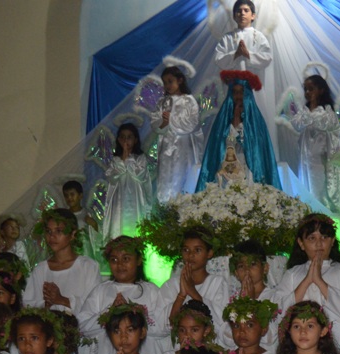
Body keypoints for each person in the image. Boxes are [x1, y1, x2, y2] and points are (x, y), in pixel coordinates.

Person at [274, 214, 340, 353]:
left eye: (324, 237)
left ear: (332, 241)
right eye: (312, 238)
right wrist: (307, 280)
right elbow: (279, 313)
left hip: (338, 342)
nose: (319, 244)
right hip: (299, 347)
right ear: (301, 243)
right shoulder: (292, 274)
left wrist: (319, 281)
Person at [78, 236, 163, 354]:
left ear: (139, 260)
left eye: (126, 259)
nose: (120, 264)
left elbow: (163, 327)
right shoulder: (101, 291)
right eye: (114, 260)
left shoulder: (151, 291)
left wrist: (135, 312)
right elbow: (82, 326)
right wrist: (109, 313)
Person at [196, 72, 280, 190]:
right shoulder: (224, 118)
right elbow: (225, 142)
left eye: (241, 92)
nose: (238, 96)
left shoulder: (256, 120)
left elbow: (254, 146)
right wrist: (235, 119)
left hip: (247, 164)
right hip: (228, 165)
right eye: (235, 92)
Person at [214, 0, 275, 146]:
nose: (242, 13)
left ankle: (255, 158)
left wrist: (248, 55)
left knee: (254, 120)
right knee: (232, 119)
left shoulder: (258, 37)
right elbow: (218, 58)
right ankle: (232, 158)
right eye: (239, 11)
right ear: (234, 16)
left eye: (246, 10)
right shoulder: (227, 38)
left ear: (253, 15)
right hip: (233, 89)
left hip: (253, 89)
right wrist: (235, 55)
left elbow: (267, 58)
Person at [159, 227, 228, 348]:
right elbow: (161, 326)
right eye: (186, 250)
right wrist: (181, 296)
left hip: (208, 352)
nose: (190, 255)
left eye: (197, 250)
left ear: (209, 253)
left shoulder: (217, 283)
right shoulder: (170, 285)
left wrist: (194, 293)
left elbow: (222, 324)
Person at [25, 208, 102, 312]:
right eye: (48, 231)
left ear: (73, 235)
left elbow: (95, 305)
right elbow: (29, 304)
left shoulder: (88, 267)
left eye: (58, 231)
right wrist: (46, 304)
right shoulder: (40, 270)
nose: (52, 236)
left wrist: (62, 300)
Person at [150, 62, 202, 203]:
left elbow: (192, 123)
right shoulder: (162, 102)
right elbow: (155, 123)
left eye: (170, 81)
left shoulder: (189, 101)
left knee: (182, 175)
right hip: (167, 146)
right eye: (165, 82)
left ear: (180, 80)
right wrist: (163, 123)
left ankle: (184, 205)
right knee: (166, 176)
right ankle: (166, 207)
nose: (167, 85)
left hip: (183, 146)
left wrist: (171, 119)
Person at [290, 74, 340, 214]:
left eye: (311, 89)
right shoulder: (304, 111)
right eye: (306, 89)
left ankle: (321, 221)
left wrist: (313, 107)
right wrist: (309, 108)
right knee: (305, 190)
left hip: (320, 161)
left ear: (321, 90)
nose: (307, 93)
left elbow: (324, 125)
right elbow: (297, 124)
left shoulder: (327, 112)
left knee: (319, 192)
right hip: (305, 161)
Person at [223, 240, 280, 351]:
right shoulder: (232, 299)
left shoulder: (275, 298)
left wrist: (249, 303)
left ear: (265, 268)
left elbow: (270, 337)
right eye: (241, 266)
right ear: (236, 273)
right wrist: (242, 302)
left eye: (253, 264)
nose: (247, 270)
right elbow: (227, 338)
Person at [101, 123, 153, 243]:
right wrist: (123, 158)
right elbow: (112, 177)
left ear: (135, 140)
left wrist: (128, 159)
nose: (126, 141)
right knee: (118, 222)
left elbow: (140, 174)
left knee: (135, 224)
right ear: (118, 140)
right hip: (119, 200)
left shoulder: (140, 158)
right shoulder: (115, 160)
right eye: (123, 137)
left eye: (129, 137)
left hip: (136, 199)